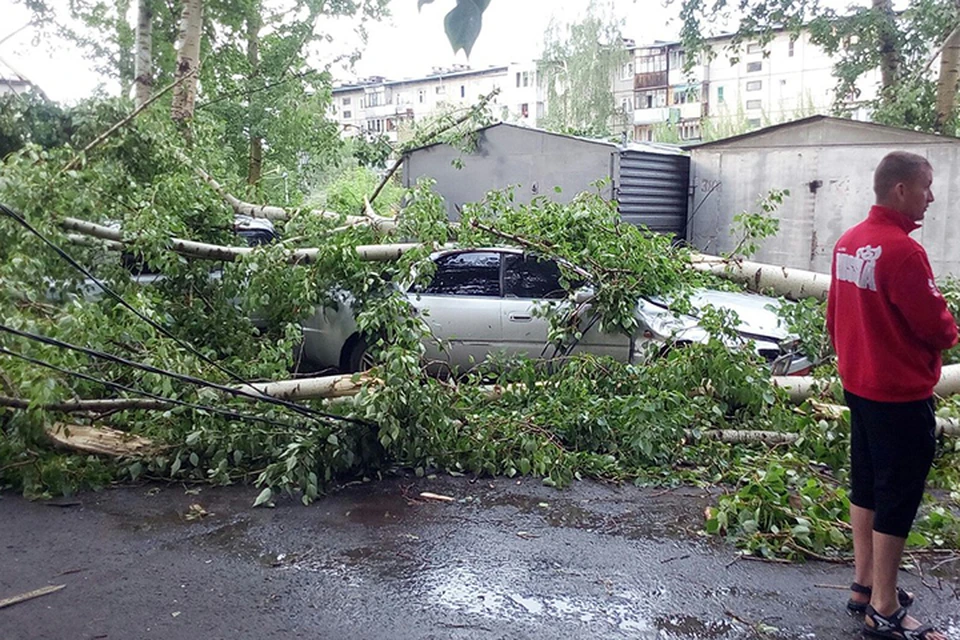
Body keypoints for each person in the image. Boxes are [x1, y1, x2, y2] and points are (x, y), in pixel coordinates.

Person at [827, 150, 957, 640]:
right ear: (900, 190)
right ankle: (883, 606)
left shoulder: (849, 242)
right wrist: (950, 327)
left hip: (859, 386)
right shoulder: (903, 252)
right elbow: (938, 327)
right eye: (926, 186)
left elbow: (833, 317)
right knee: (898, 496)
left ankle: (863, 585)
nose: (931, 196)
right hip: (899, 395)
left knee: (867, 484)